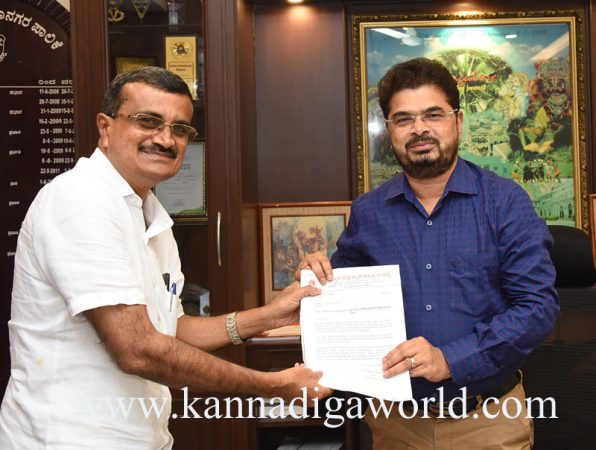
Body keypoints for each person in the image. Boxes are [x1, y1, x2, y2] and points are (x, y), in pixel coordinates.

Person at [0, 67, 331, 449]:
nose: (165, 139)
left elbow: (172, 329)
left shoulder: (150, 215)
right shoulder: (80, 200)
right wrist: (272, 385)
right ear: (105, 128)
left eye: (180, 128)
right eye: (148, 121)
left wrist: (268, 316)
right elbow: (137, 349)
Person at [299, 58, 558, 449]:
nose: (419, 128)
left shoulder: (506, 202)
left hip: (487, 420)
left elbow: (537, 308)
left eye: (433, 115)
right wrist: (314, 277)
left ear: (458, 120)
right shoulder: (369, 212)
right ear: (390, 130)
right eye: (403, 119)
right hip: (396, 423)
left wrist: (450, 359)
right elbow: (339, 300)